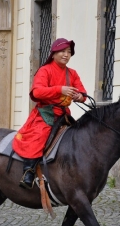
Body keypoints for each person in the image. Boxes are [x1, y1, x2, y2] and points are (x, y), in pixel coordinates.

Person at [12, 38, 87, 189]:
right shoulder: (44, 70)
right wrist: (60, 89)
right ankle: (28, 171)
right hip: (45, 113)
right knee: (40, 136)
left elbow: (83, 93)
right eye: (62, 51)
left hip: (64, 114)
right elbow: (37, 92)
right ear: (53, 54)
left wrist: (80, 97)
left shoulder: (72, 73)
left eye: (69, 52)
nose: (66, 55)